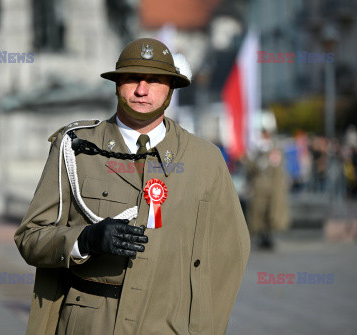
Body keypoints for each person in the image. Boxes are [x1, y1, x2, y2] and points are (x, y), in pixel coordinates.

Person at [15, 38, 250, 335]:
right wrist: (85, 239)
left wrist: (204, 326)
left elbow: (230, 254)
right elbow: (30, 237)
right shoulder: (76, 148)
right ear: (116, 85)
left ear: (171, 88)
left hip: (167, 326)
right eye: (132, 79)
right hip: (89, 325)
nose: (142, 89)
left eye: (154, 80)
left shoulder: (205, 160)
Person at [245, 129, 289, 250]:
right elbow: (252, 169)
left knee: (271, 213)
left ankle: (268, 237)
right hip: (259, 188)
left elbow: (277, 169)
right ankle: (261, 236)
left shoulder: (274, 150)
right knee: (258, 213)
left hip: (271, 187)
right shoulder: (256, 151)